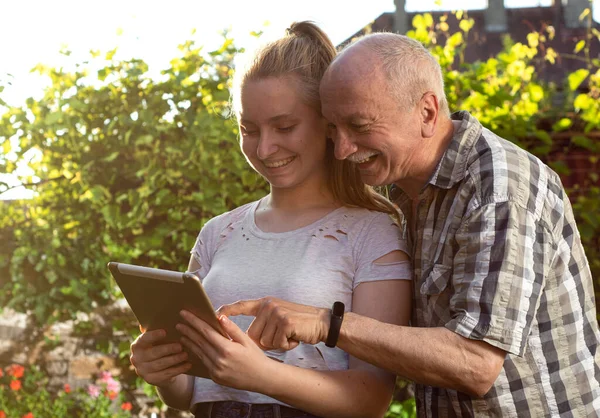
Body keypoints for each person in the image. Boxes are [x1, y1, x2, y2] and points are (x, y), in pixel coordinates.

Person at [218, 32, 600, 417]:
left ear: (427, 113)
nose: (342, 149)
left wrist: (326, 323)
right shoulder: (404, 192)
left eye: (359, 125)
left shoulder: (498, 188)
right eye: (334, 129)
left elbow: (476, 362)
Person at [128, 23, 413, 418]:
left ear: (327, 123)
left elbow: (371, 400)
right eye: (249, 129)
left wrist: (261, 375)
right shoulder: (217, 233)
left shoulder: (372, 233)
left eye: (284, 127)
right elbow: (189, 391)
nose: (264, 148)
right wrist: (163, 371)